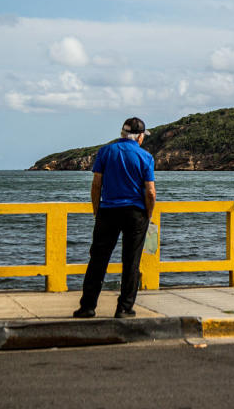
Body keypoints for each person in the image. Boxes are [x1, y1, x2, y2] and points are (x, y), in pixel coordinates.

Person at [73, 117, 156, 319]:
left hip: (108, 211)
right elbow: (151, 192)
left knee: (98, 260)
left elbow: (96, 184)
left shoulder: (106, 151)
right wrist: (148, 214)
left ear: (122, 133)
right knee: (131, 262)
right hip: (135, 213)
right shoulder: (145, 157)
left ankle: (87, 306)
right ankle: (124, 308)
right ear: (140, 137)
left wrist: (96, 210)